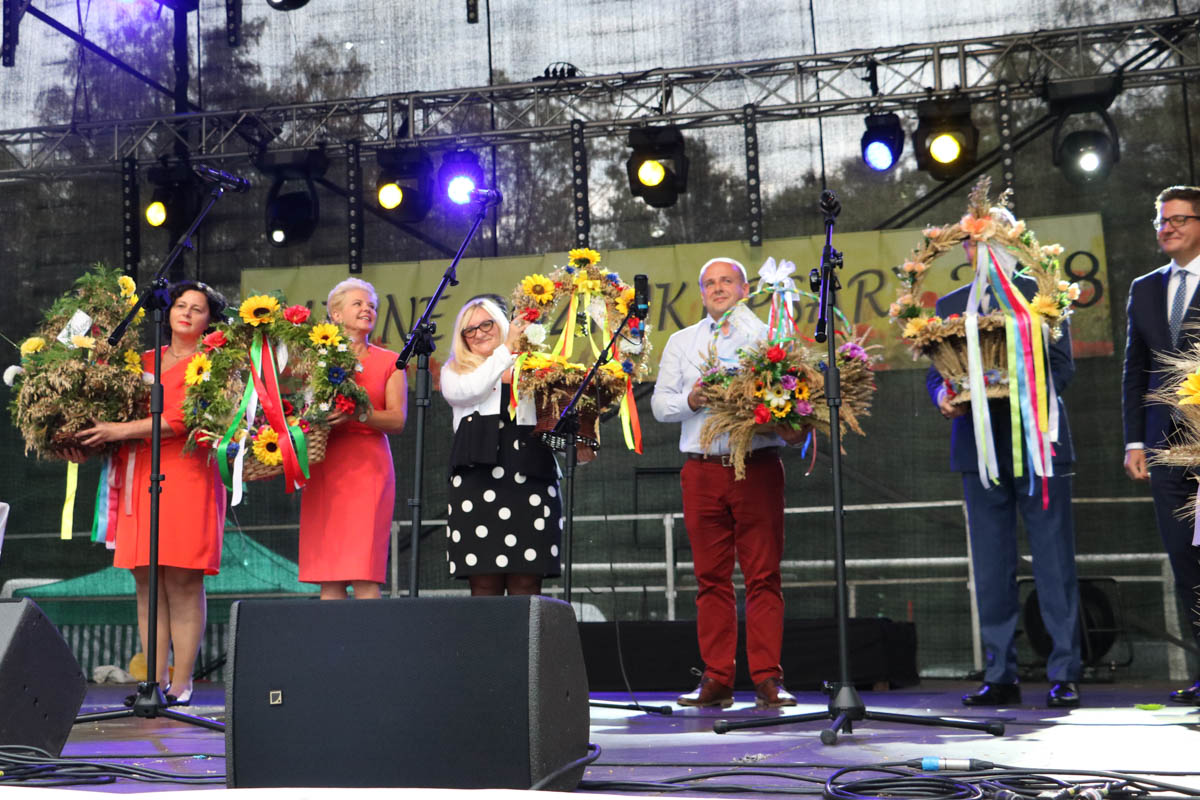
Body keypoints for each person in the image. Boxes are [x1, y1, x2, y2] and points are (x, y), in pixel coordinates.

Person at [929, 231, 1082, 709]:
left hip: (1038, 442)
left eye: (989, 240)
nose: (979, 250)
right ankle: (999, 674)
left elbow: (1063, 366)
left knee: (1054, 562)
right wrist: (943, 396)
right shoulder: (950, 305)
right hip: (977, 448)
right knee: (991, 567)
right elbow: (937, 373)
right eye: (972, 243)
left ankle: (1064, 672)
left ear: (1011, 246)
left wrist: (1020, 390)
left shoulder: (1043, 295)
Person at [650, 257, 801, 709]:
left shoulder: (770, 337)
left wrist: (778, 419)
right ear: (701, 293)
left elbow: (795, 404)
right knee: (710, 579)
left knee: (763, 576)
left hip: (756, 466)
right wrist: (692, 398)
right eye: (710, 283)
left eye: (727, 281)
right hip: (701, 471)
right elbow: (660, 406)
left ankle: (767, 679)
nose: (718, 288)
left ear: (744, 289)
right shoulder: (682, 341)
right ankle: (717, 678)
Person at [77, 281, 229, 707]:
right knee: (145, 580)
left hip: (190, 471)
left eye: (197, 308)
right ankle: (153, 683)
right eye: (180, 304)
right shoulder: (142, 362)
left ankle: (182, 684)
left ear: (209, 320)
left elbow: (183, 420)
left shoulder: (216, 364)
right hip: (140, 472)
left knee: (182, 579)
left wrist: (118, 430)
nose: (187, 312)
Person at [1122, 185, 1200, 705]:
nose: (1166, 228)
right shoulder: (1145, 288)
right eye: (1161, 221)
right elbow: (1136, 370)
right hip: (1165, 449)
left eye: (1178, 219)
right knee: (1185, 564)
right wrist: (1134, 440)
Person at [441, 295, 562, 596]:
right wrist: (506, 350)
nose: (479, 333)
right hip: (477, 481)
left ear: (502, 324)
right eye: (470, 330)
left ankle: (529, 632)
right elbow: (473, 390)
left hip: (530, 476)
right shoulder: (454, 371)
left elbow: (553, 415)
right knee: (484, 582)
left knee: (527, 582)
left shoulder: (533, 364)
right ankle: (488, 631)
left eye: (487, 324)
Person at [298, 277, 408, 599]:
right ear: (335, 314)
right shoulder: (317, 359)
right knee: (329, 576)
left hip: (367, 470)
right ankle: (331, 636)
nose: (367, 309)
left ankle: (369, 635)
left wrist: (358, 414)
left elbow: (397, 420)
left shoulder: (391, 362)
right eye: (358, 303)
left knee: (364, 574)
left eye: (371, 305)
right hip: (324, 464)